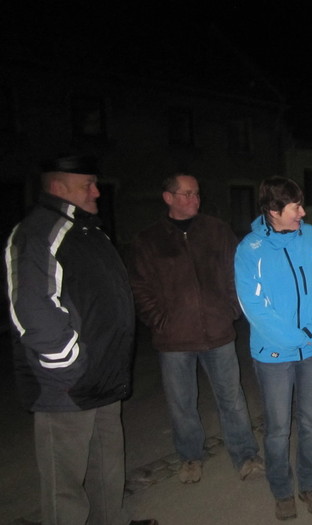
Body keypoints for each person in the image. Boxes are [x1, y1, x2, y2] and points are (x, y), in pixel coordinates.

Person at [4, 154, 156, 525]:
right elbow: (32, 309)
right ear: (58, 186)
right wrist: (70, 362)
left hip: (103, 374)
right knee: (65, 484)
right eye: (87, 184)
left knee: (107, 464)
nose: (96, 192)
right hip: (67, 384)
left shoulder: (89, 231)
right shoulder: (38, 232)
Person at [128, 173, 263, 485]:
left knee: (231, 398)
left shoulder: (216, 230)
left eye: (197, 193)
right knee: (182, 404)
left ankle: (245, 455)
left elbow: (237, 272)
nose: (194, 199)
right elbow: (139, 287)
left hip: (218, 332)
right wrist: (160, 320)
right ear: (168, 198)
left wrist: (231, 310)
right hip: (174, 339)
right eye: (187, 194)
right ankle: (190, 457)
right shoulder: (149, 240)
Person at [234, 176, 312, 521]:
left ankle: (310, 484)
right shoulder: (250, 249)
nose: (303, 213)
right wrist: (295, 337)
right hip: (273, 355)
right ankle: (281, 490)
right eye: (295, 207)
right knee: (278, 428)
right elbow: (253, 306)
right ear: (273, 209)